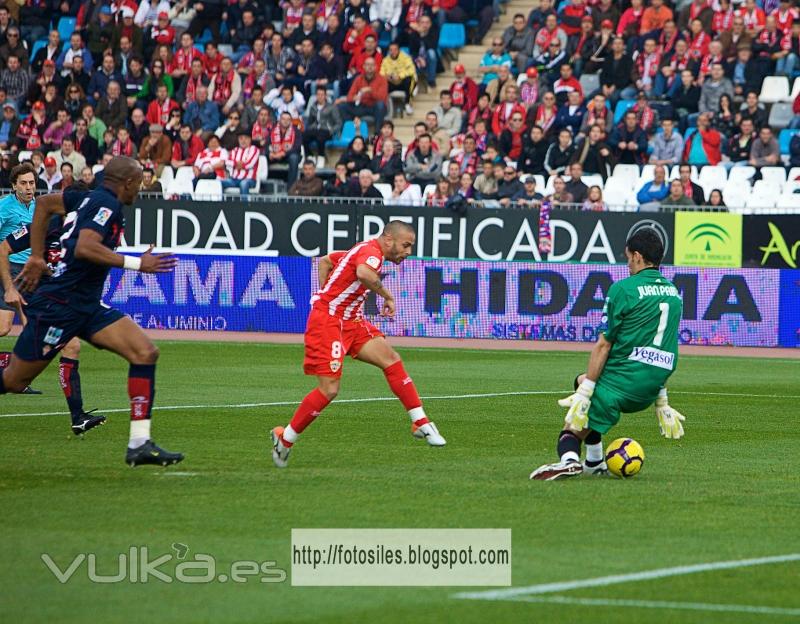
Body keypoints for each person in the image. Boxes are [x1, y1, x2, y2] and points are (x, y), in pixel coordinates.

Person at [3, 157, 184, 467]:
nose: (139, 191)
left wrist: (36, 256)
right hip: (60, 305)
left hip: (86, 305)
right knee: (13, 382)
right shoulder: (107, 205)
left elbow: (45, 204)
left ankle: (139, 443)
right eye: (138, 184)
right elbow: (86, 247)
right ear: (127, 183)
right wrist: (138, 263)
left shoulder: (83, 196)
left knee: (145, 352)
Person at [269, 221, 446, 469]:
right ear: (388, 240)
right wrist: (387, 296)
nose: (408, 251)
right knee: (329, 390)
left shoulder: (363, 250)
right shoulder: (371, 253)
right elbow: (363, 273)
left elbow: (326, 261)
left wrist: (327, 291)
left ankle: (420, 422)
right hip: (329, 323)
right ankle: (285, 438)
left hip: (352, 322)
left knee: (391, 360)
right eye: (405, 245)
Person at [530, 228, 684, 480]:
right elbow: (667, 347)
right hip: (650, 389)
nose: (627, 264)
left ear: (636, 256)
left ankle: (568, 460)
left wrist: (588, 389)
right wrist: (662, 399)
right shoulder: (674, 294)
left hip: (621, 384)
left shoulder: (623, 289)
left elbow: (604, 345)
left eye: (627, 258)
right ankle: (593, 461)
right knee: (579, 380)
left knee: (574, 419)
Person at [0, 182, 106, 432]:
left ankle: (78, 416)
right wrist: (9, 287)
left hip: (57, 300)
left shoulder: (85, 231)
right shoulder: (46, 225)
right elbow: (3, 247)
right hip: (41, 297)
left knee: (29, 363)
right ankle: (78, 416)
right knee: (67, 347)